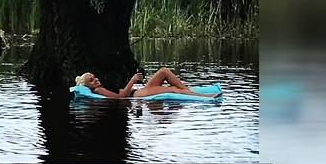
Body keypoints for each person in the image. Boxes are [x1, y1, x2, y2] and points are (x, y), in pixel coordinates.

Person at [75, 67, 222, 98]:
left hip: (139, 90)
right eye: (92, 80)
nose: (96, 80)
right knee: (171, 89)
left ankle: (188, 90)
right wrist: (132, 81)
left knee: (164, 71)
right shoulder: (98, 90)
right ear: (88, 85)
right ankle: (205, 97)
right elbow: (120, 98)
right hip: (137, 94)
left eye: (94, 77)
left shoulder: (101, 85)